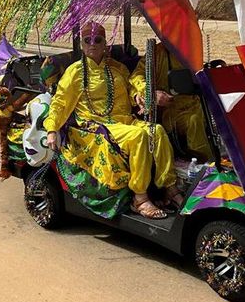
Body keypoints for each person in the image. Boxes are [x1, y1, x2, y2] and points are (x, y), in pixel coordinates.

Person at [45, 22, 181, 219]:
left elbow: (132, 89)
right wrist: (51, 129)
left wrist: (139, 97)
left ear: (104, 43)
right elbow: (59, 103)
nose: (92, 44)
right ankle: (140, 197)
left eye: (97, 40)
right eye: (87, 40)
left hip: (123, 121)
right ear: (82, 45)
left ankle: (169, 186)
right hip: (96, 126)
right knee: (139, 136)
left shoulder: (118, 68)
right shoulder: (75, 72)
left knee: (156, 131)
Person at [130, 43, 212, 162]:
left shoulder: (192, 47)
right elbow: (137, 76)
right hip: (172, 110)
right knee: (194, 120)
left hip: (198, 104)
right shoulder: (158, 52)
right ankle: (204, 165)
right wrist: (151, 92)